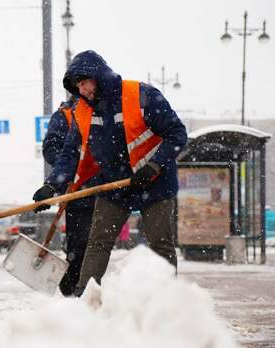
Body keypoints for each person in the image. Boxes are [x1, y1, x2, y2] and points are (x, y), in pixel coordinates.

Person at [32, 50, 188, 296]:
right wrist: (52, 186)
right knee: (98, 242)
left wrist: (153, 166)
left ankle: (166, 300)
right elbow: (70, 154)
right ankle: (86, 299)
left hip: (155, 182)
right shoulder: (81, 112)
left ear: (98, 76)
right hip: (115, 185)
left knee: (160, 243)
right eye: (78, 87)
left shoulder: (141, 95)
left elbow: (177, 134)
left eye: (85, 83)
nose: (82, 90)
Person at [39, 97, 98, 296]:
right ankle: (74, 289)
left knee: (99, 245)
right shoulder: (65, 115)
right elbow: (52, 149)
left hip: (106, 189)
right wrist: (72, 169)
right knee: (80, 244)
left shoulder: (106, 109)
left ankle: (89, 290)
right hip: (77, 190)